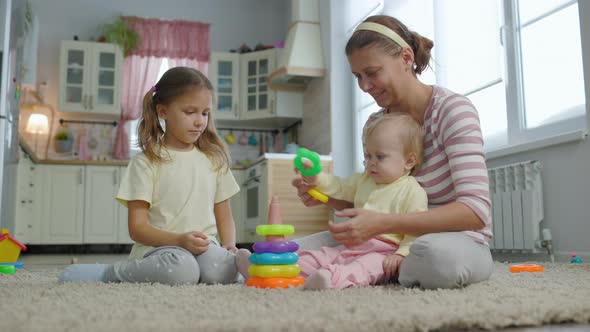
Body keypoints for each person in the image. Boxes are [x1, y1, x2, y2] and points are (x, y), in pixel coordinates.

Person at [292, 15, 494, 289]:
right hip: (385, 239)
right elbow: (374, 196)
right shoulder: (376, 124)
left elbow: (475, 211)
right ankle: (370, 268)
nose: (364, 86)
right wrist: (324, 195)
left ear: (406, 57)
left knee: (435, 259)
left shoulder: (453, 111)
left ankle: (375, 268)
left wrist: (383, 223)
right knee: (288, 252)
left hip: (455, 239)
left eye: (372, 73)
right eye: (357, 76)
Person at [59, 67, 251, 285]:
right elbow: (137, 229)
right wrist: (179, 240)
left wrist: (229, 244)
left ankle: (233, 261)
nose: (199, 121)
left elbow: (224, 215)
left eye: (205, 113)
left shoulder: (214, 160)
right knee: (183, 270)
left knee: (219, 271)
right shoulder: (145, 162)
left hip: (205, 247)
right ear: (163, 112)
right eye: (190, 112)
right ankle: (109, 273)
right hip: (159, 249)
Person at [297, 112, 428, 290]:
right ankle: (277, 271)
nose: (371, 163)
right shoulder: (363, 180)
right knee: (319, 255)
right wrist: (316, 179)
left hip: (383, 251)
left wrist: (401, 254)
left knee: (362, 268)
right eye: (368, 156)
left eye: (380, 157)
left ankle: (330, 279)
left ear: (409, 161)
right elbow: (339, 186)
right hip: (351, 245)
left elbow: (416, 229)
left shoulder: (413, 191)